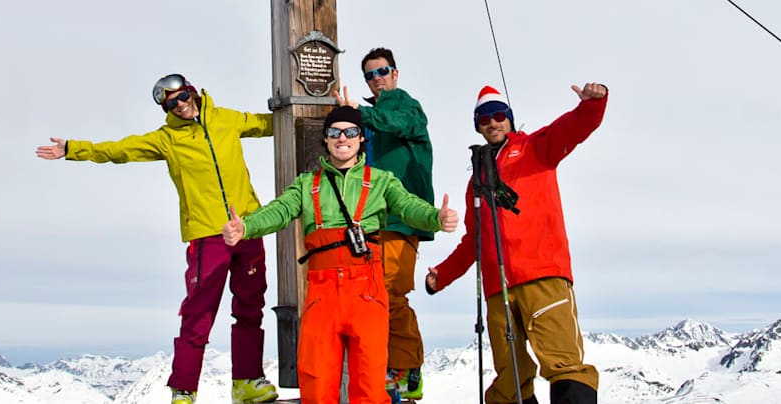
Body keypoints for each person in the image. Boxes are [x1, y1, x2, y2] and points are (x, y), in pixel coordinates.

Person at [36, 74, 279, 404]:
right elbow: (121, 150)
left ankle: (247, 382)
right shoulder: (166, 138)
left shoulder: (226, 118)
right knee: (199, 312)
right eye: (170, 103)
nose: (179, 106)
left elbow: (269, 124)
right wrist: (74, 149)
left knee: (251, 306)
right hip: (207, 233)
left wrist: (327, 115)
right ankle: (184, 390)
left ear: (191, 91)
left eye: (181, 97)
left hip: (248, 224)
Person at [222, 106, 459, 404]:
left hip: (367, 293)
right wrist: (247, 226)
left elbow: (409, 206)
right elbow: (279, 211)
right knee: (317, 385)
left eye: (350, 132)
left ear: (361, 139)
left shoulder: (382, 181)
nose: (342, 138)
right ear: (325, 139)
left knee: (370, 386)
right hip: (321, 294)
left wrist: (437, 217)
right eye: (334, 132)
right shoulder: (307, 184)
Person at [426, 83, 608, 404]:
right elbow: (474, 240)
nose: (492, 122)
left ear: (509, 119)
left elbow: (573, 128)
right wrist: (442, 274)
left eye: (498, 115)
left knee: (563, 363)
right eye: (484, 118)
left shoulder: (536, 148)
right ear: (477, 125)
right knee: (509, 378)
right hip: (499, 290)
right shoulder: (476, 180)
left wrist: (593, 104)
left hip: (543, 277)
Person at [335, 47, 434, 401]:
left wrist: (361, 114)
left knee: (391, 292)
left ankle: (407, 369)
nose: (376, 79)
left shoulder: (406, 108)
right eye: (369, 75)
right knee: (373, 296)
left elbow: (402, 124)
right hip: (371, 221)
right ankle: (388, 368)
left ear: (395, 73)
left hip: (402, 218)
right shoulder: (371, 119)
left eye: (382, 71)